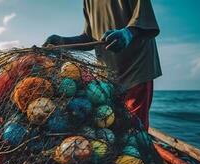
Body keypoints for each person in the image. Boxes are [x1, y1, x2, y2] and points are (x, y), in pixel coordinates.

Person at [43, 0, 162, 131]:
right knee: (112, 127)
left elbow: (145, 19)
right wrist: (63, 41)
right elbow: (89, 38)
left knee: (133, 130)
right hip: (107, 79)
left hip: (135, 69)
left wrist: (128, 33)